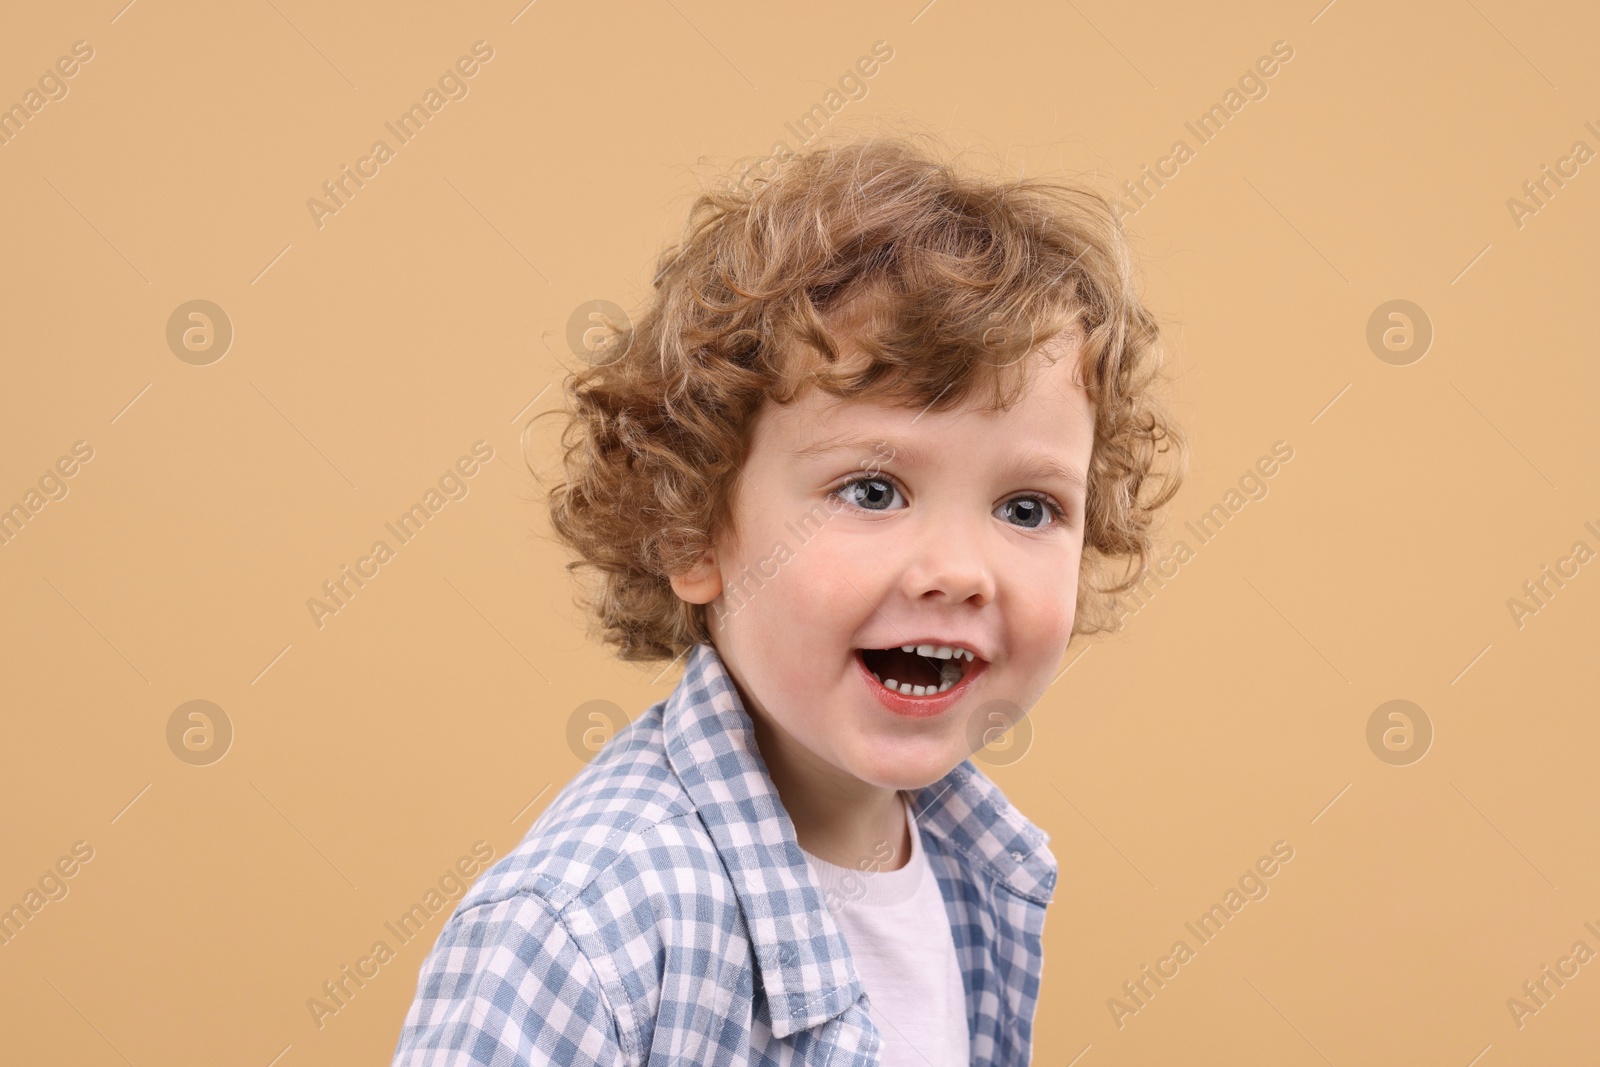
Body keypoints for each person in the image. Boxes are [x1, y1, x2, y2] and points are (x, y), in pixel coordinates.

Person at [391, 134, 1187, 1066]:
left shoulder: (974, 872)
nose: (961, 571)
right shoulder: (583, 933)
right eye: (874, 491)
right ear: (693, 529)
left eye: (1027, 506)